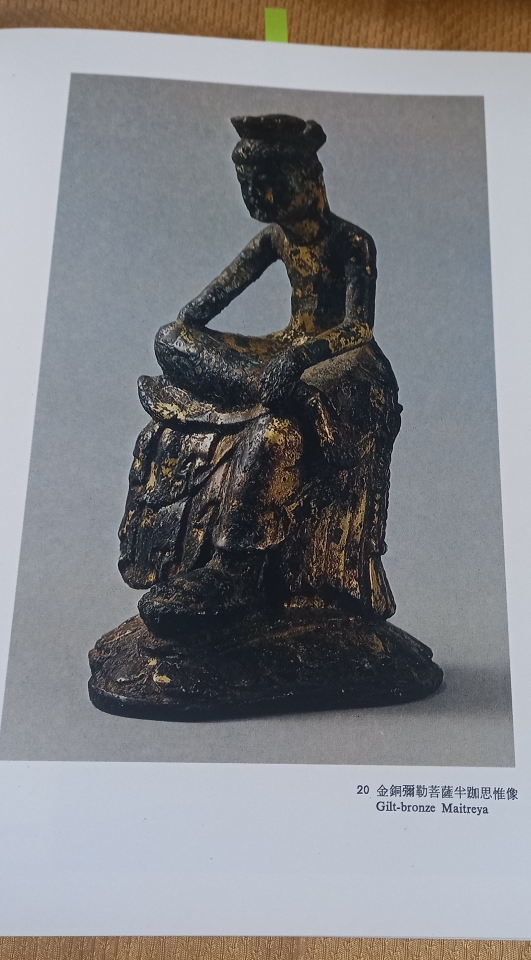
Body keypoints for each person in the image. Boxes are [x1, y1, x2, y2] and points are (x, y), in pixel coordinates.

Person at [118, 114, 402, 633]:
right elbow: (194, 315)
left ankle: (235, 570)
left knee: (274, 430)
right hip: (284, 353)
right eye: (248, 186)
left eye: (269, 183)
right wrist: (229, 352)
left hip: (343, 361)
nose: (258, 198)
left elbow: (358, 328)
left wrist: (297, 360)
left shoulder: (352, 242)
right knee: (167, 337)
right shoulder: (274, 240)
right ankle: (261, 388)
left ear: (309, 180)